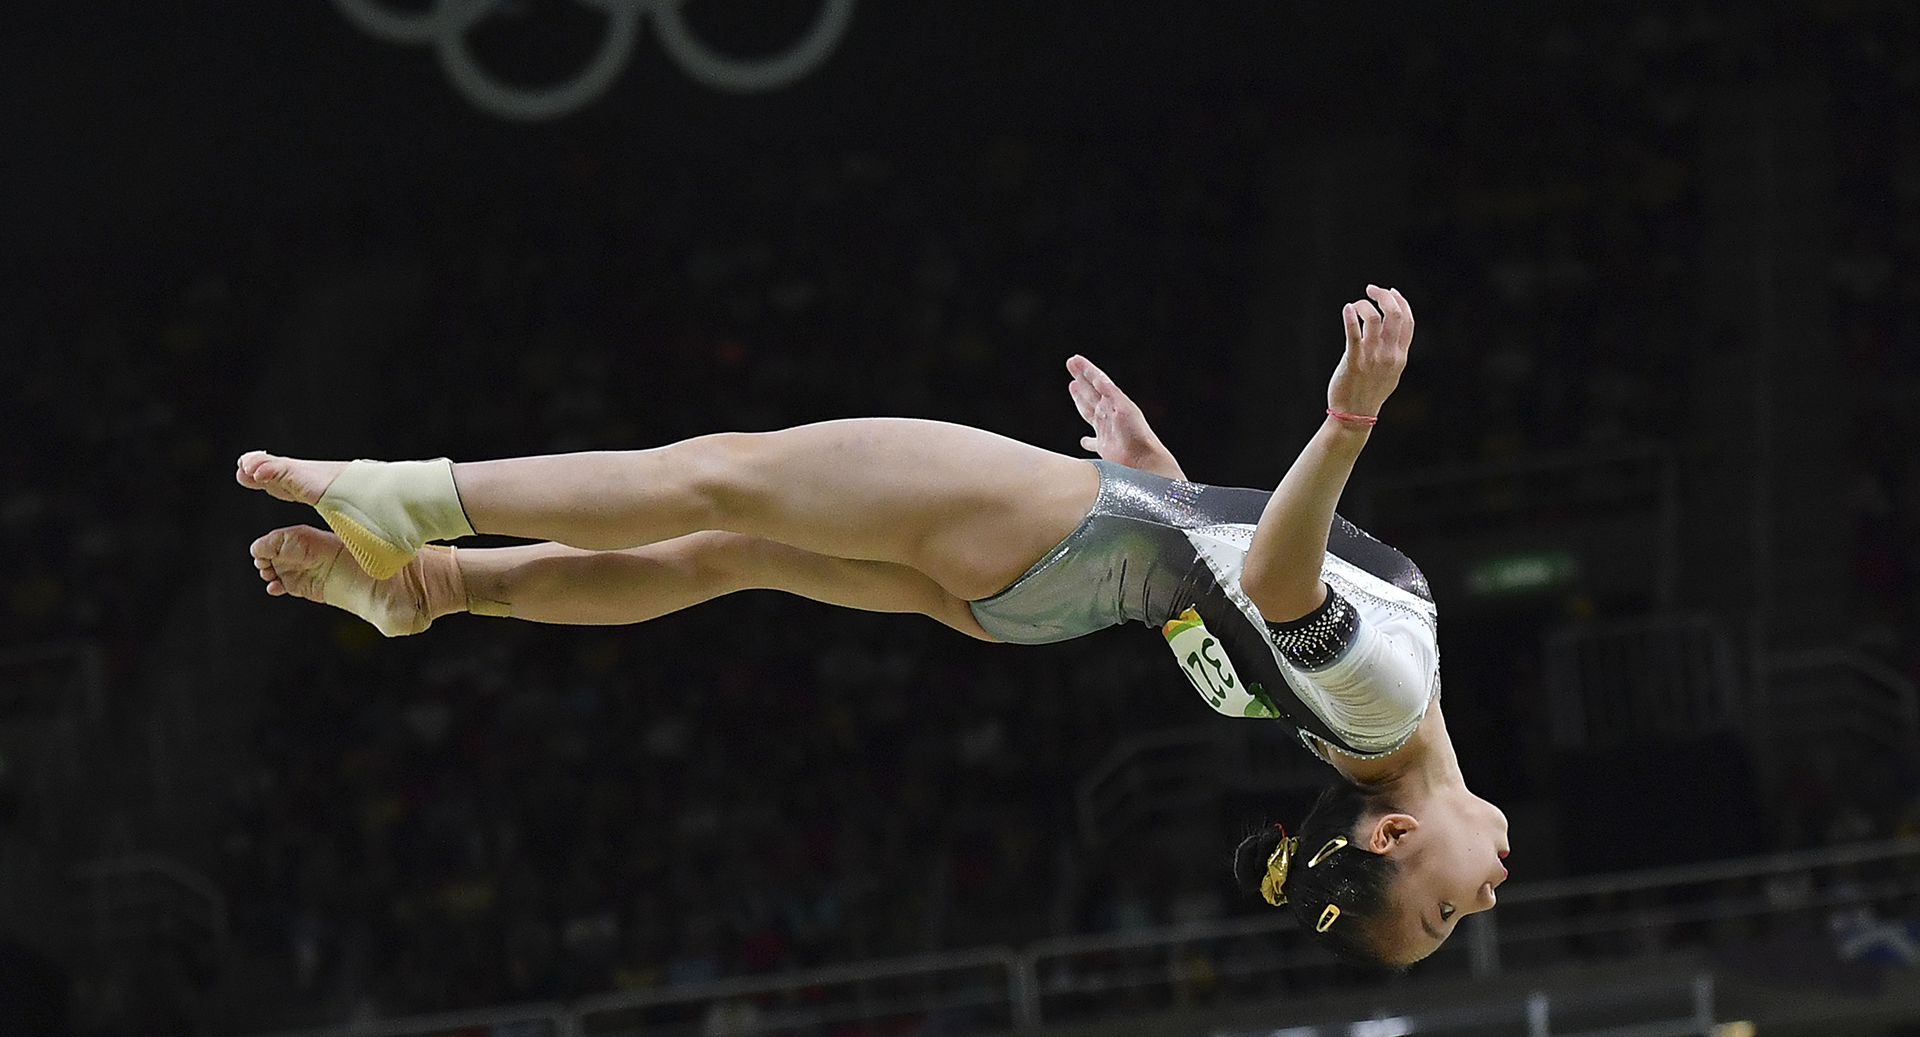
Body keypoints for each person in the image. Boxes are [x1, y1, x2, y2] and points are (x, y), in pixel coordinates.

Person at [237, 285, 1506, 967]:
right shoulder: (1343, 743)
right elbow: (1220, 604)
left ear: (1392, 834)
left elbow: (1277, 584)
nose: (1481, 901)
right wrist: (1168, 477)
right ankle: (436, 590)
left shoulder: (1387, 706)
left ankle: (405, 497)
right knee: (723, 556)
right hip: (1039, 598)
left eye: (1445, 912)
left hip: (1054, 536)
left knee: (718, 476)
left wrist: (1347, 419)